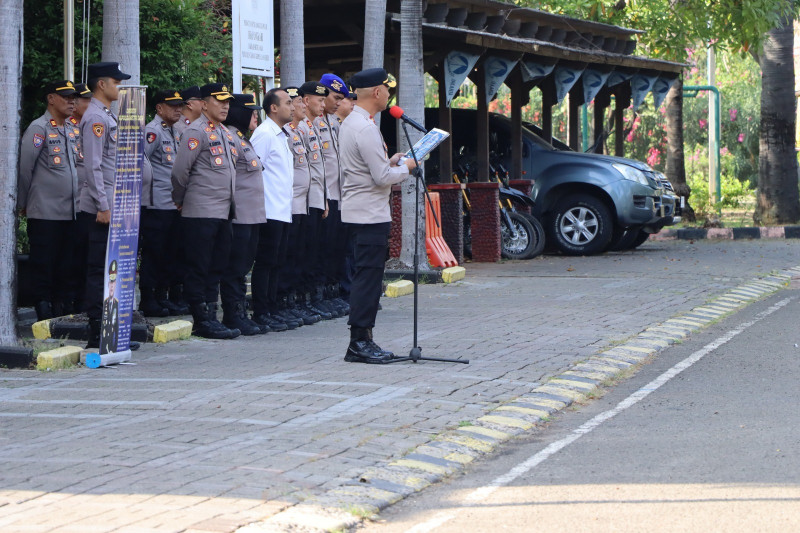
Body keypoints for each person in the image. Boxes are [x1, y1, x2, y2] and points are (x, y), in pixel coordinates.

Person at [339, 67, 416, 364]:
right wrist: (406, 168)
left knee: (366, 277)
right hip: (369, 214)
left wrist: (391, 160)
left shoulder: (355, 122)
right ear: (377, 92)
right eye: (387, 89)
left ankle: (363, 339)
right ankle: (359, 342)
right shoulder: (365, 127)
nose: (389, 95)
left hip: (361, 211)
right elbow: (382, 177)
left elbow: (371, 167)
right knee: (367, 280)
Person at [171, 82, 240, 340]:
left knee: (217, 266)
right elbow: (179, 173)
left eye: (228, 101)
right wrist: (181, 200)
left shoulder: (225, 132)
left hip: (223, 212)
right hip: (200, 211)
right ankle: (201, 318)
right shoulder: (196, 132)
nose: (225, 106)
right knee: (198, 267)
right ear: (204, 103)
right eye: (219, 100)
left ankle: (212, 315)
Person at [76, 62, 131, 349]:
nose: (119, 87)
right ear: (101, 84)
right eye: (116, 82)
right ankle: (97, 332)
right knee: (99, 269)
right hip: (100, 208)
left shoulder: (107, 115)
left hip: (112, 204)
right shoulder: (95, 118)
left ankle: (112, 329)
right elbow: (92, 166)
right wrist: (103, 205)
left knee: (112, 266)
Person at [18, 80, 81, 320]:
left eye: (73, 97)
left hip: (71, 210)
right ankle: (43, 308)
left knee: (66, 264)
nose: (71, 101)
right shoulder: (39, 128)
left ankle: (61, 307)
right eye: (65, 97)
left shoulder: (71, 129)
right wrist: (24, 202)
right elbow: (25, 169)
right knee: (44, 263)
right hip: (44, 211)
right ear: (51, 99)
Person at [249, 88, 304, 329]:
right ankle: (261, 311)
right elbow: (252, 171)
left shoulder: (280, 134)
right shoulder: (264, 134)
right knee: (266, 262)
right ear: (273, 107)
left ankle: (272, 308)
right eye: (288, 103)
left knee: (277, 262)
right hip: (268, 209)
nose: (292, 107)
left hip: (282, 209)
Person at [219, 93, 270, 336]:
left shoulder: (242, 138)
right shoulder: (230, 137)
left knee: (243, 266)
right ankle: (233, 314)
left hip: (252, 215)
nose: (255, 116)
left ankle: (240, 313)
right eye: (250, 111)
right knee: (235, 268)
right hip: (239, 215)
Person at [140, 89, 187, 317]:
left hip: (172, 205)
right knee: (154, 254)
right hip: (156, 204)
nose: (178, 109)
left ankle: (162, 296)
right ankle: (148, 299)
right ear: (159, 108)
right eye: (173, 105)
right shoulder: (152, 131)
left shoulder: (175, 131)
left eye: (180, 105)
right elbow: (141, 163)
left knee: (170, 254)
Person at [295, 80, 333, 321]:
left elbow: (322, 169)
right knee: (302, 252)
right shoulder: (298, 128)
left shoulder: (315, 126)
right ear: (306, 101)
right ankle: (299, 300)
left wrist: (326, 199)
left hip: (318, 198)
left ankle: (312, 297)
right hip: (303, 201)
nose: (323, 104)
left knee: (316, 251)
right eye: (319, 100)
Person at [318, 73, 352, 316]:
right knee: (320, 249)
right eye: (336, 97)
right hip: (322, 197)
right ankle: (319, 295)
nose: (339, 103)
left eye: (342, 99)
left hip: (339, 196)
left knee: (335, 249)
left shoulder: (334, 123)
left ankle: (331, 293)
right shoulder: (313, 123)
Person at [100, 259, 119, 355]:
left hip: (112, 347)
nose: (112, 286)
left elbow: (117, 329)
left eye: (114, 282)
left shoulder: (117, 304)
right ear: (108, 284)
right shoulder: (104, 303)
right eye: (110, 282)